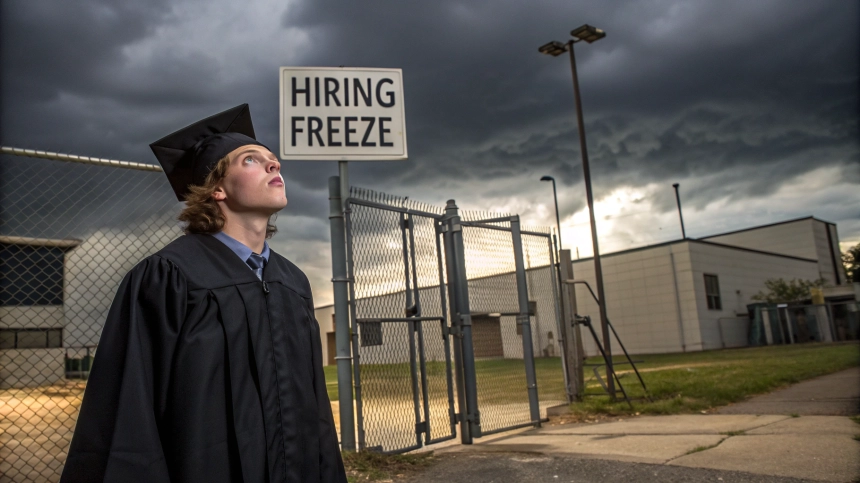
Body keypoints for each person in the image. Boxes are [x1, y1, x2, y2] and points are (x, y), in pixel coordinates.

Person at [61, 105, 347, 482]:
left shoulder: (292, 283)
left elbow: (316, 413)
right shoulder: (169, 277)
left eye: (274, 161)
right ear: (217, 188)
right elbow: (129, 413)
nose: (274, 166)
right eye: (251, 159)